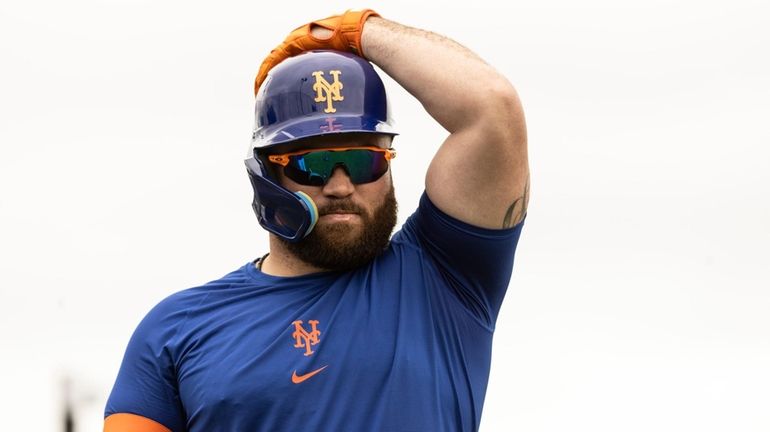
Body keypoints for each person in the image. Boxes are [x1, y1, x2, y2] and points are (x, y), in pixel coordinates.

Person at [103, 9, 529, 432]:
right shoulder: (176, 331)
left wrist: (355, 31)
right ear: (267, 175)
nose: (341, 187)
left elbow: (492, 108)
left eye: (364, 162)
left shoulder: (445, 275)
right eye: (314, 164)